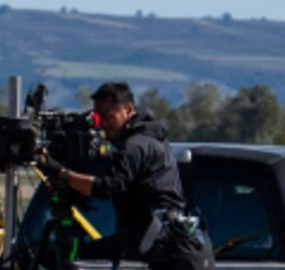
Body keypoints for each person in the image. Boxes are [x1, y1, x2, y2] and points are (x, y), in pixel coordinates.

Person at [42, 81, 186, 260]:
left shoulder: (136, 145)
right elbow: (106, 168)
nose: (102, 124)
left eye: (108, 116)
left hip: (152, 239)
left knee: (84, 260)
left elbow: (107, 187)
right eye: (98, 118)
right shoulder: (141, 138)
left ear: (128, 109)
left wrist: (61, 173)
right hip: (152, 237)